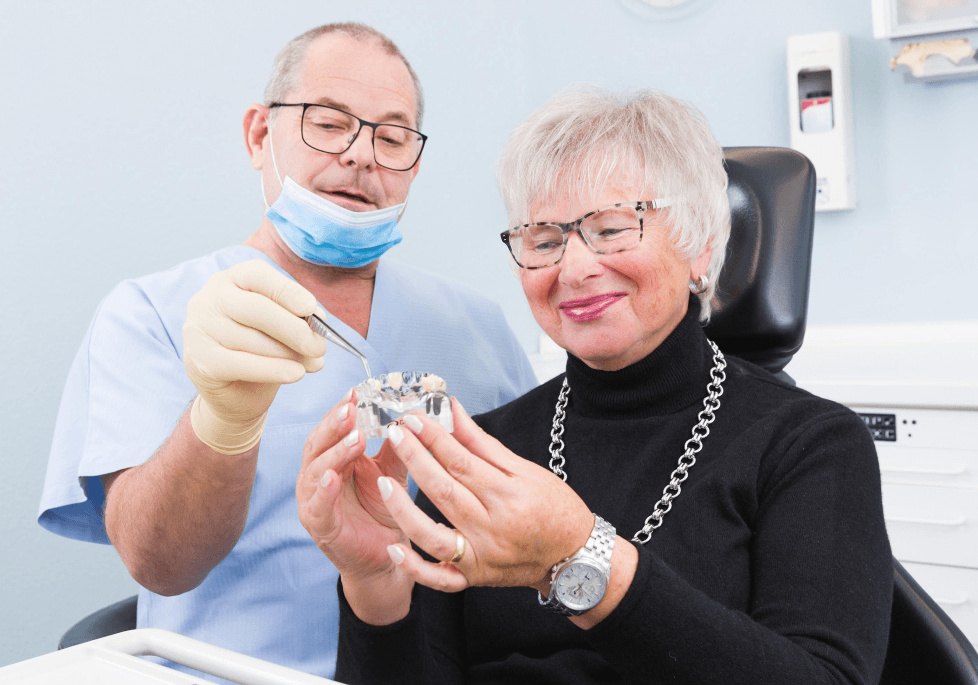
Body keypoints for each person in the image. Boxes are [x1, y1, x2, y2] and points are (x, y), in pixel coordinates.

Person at [297, 85, 893, 684]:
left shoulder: (811, 445)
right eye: (545, 240)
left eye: (611, 229)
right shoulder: (483, 452)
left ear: (700, 247)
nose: (575, 269)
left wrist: (580, 558)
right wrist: (378, 584)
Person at [38, 22, 536, 680]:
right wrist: (223, 417)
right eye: (328, 124)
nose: (361, 156)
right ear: (258, 135)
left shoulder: (474, 327)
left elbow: (528, 540)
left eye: (391, 138)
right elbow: (159, 561)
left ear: (413, 166)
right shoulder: (153, 314)